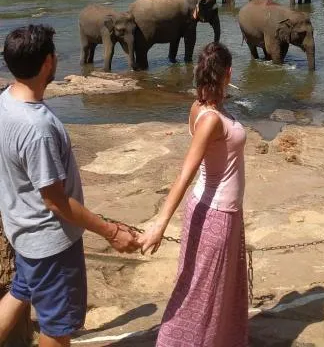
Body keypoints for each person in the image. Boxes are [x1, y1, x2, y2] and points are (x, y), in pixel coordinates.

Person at [0, 25, 139, 347]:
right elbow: (56, 201)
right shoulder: (38, 128)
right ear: (49, 62)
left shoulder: (5, 101)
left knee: (21, 291)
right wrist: (111, 232)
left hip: (22, 230)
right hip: (51, 242)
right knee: (58, 326)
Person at [140, 42, 248, 347]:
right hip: (217, 214)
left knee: (218, 289)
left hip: (221, 211)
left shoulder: (200, 108)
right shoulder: (211, 118)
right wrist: (159, 224)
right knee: (201, 291)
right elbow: (186, 172)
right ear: (228, 73)